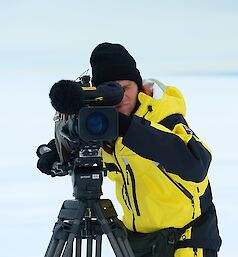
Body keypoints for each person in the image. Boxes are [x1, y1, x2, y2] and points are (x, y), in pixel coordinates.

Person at [37, 42, 221, 257]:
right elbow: (80, 143)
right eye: (110, 91)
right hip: (137, 241)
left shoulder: (164, 117)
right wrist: (55, 151)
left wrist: (125, 127)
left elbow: (196, 164)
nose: (121, 98)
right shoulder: (104, 125)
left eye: (125, 88)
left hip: (185, 241)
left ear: (139, 86)